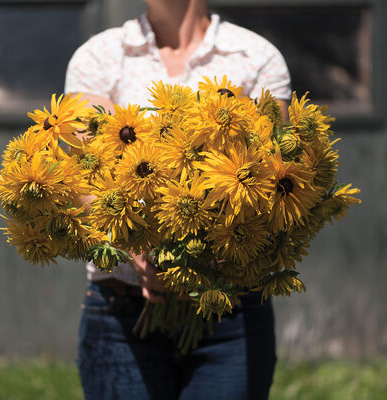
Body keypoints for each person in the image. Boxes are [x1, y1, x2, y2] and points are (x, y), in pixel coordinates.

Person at [64, 1, 291, 399]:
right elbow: (85, 175)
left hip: (231, 309)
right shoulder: (99, 55)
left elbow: (276, 180)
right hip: (122, 309)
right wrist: (135, 248)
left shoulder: (256, 56)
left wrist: (207, 262)